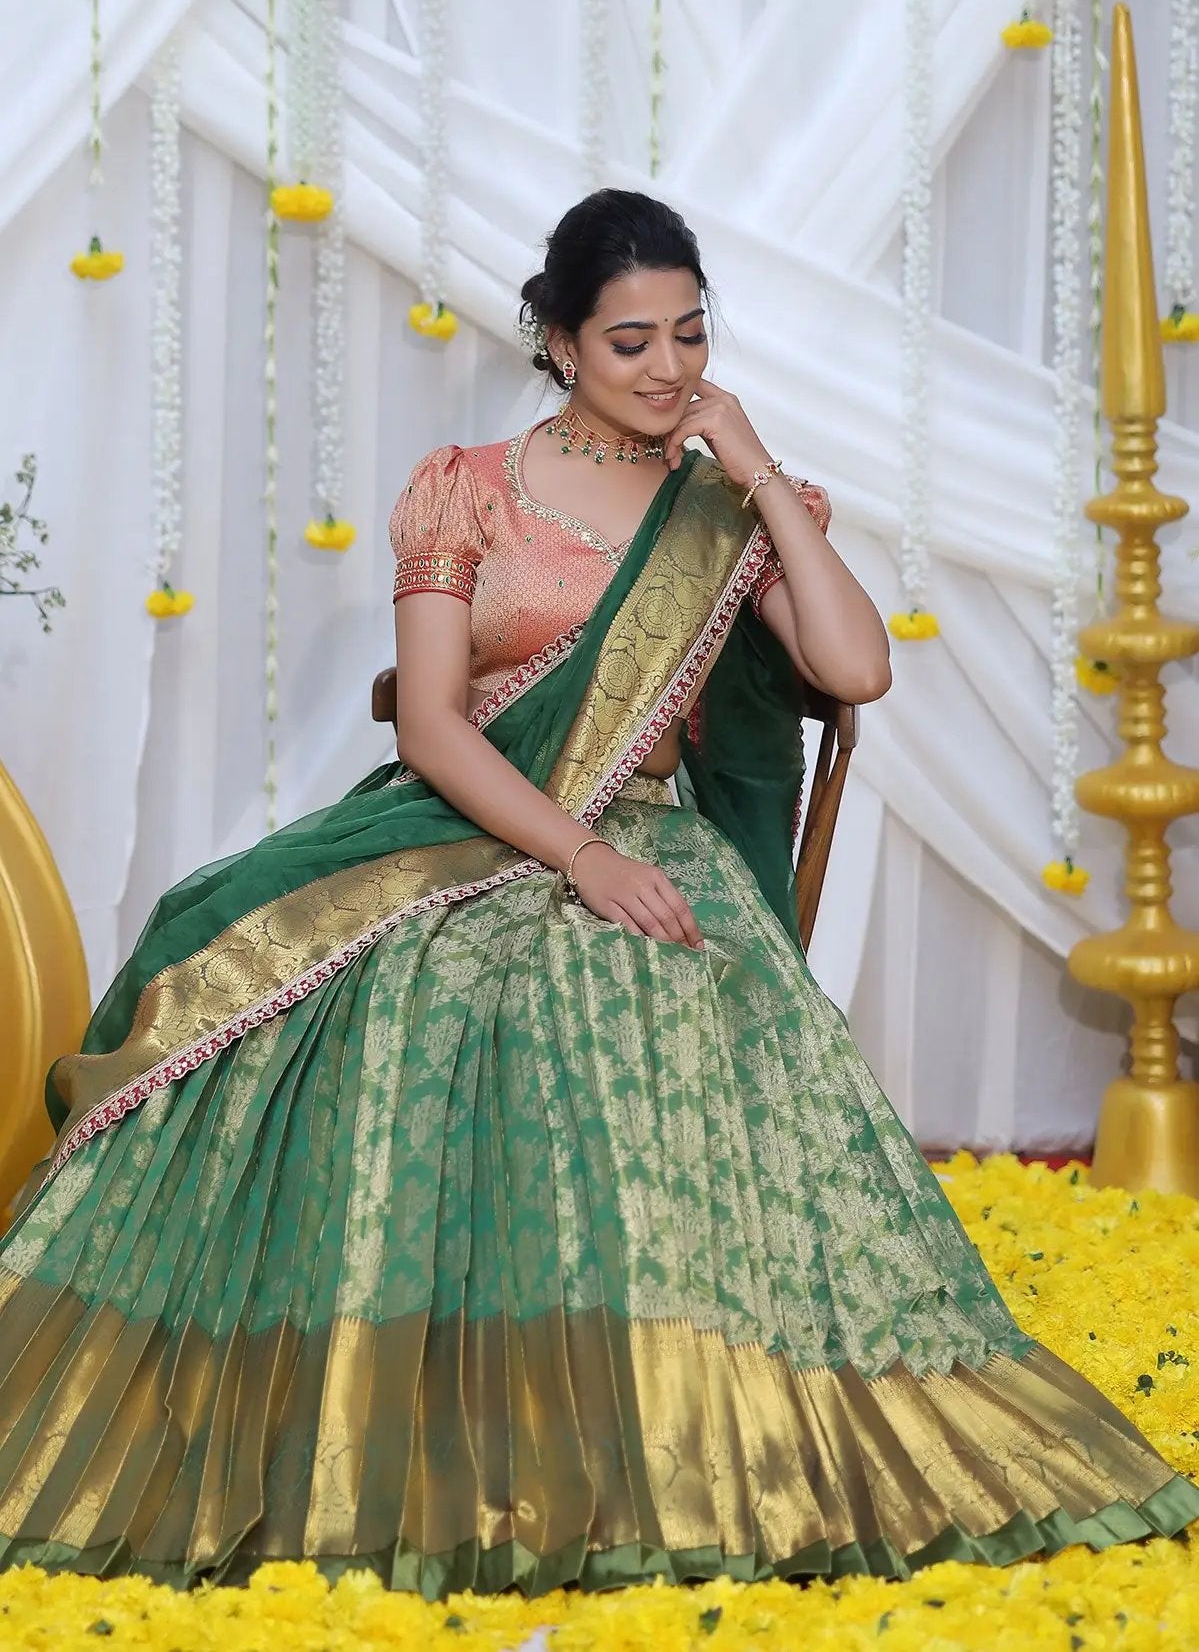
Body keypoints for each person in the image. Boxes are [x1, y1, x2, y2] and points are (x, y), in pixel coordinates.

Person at [0, 189, 1194, 1602]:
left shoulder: (720, 507)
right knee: (384, 999)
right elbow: (434, 726)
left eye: (690, 334)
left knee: (631, 990)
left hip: (652, 841)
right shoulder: (468, 488)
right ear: (561, 343)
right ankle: (394, 1412)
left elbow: (856, 669)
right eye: (631, 340)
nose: (668, 366)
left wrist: (754, 472)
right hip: (465, 827)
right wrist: (575, 855)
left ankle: (673, 1419)